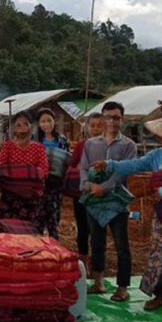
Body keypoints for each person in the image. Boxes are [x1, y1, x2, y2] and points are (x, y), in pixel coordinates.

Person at [95, 115, 162, 313]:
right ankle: (158, 296)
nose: (160, 136)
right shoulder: (158, 155)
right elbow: (135, 165)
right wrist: (110, 165)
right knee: (158, 253)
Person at [79, 103, 137, 298]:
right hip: (94, 201)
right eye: (108, 117)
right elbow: (83, 168)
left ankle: (123, 287)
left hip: (117, 202)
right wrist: (88, 186)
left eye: (116, 117)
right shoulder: (91, 144)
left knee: (122, 244)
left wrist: (103, 187)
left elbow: (123, 172)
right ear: (103, 119)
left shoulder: (129, 145)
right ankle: (98, 282)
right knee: (97, 242)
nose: (112, 121)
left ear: (122, 119)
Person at [0, 111, 49, 227]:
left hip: (32, 199)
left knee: (29, 235)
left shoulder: (39, 148)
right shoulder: (8, 146)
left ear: (32, 127)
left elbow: (44, 171)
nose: (22, 127)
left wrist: (15, 173)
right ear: (13, 129)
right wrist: (29, 173)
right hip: (10, 199)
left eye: (26, 124)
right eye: (18, 125)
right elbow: (1, 169)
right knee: (9, 233)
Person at [69, 112, 103, 267]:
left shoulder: (108, 146)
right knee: (82, 228)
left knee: (98, 230)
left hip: (101, 194)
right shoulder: (82, 145)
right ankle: (83, 262)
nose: (95, 129)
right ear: (88, 127)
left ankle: (97, 266)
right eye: (92, 125)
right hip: (82, 193)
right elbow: (72, 164)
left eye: (99, 125)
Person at [36, 107, 70, 238]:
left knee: (54, 219)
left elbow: (66, 160)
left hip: (56, 185)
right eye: (43, 121)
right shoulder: (34, 141)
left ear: (54, 121)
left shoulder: (62, 140)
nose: (46, 124)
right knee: (37, 219)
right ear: (38, 124)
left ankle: (54, 249)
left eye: (49, 120)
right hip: (39, 185)